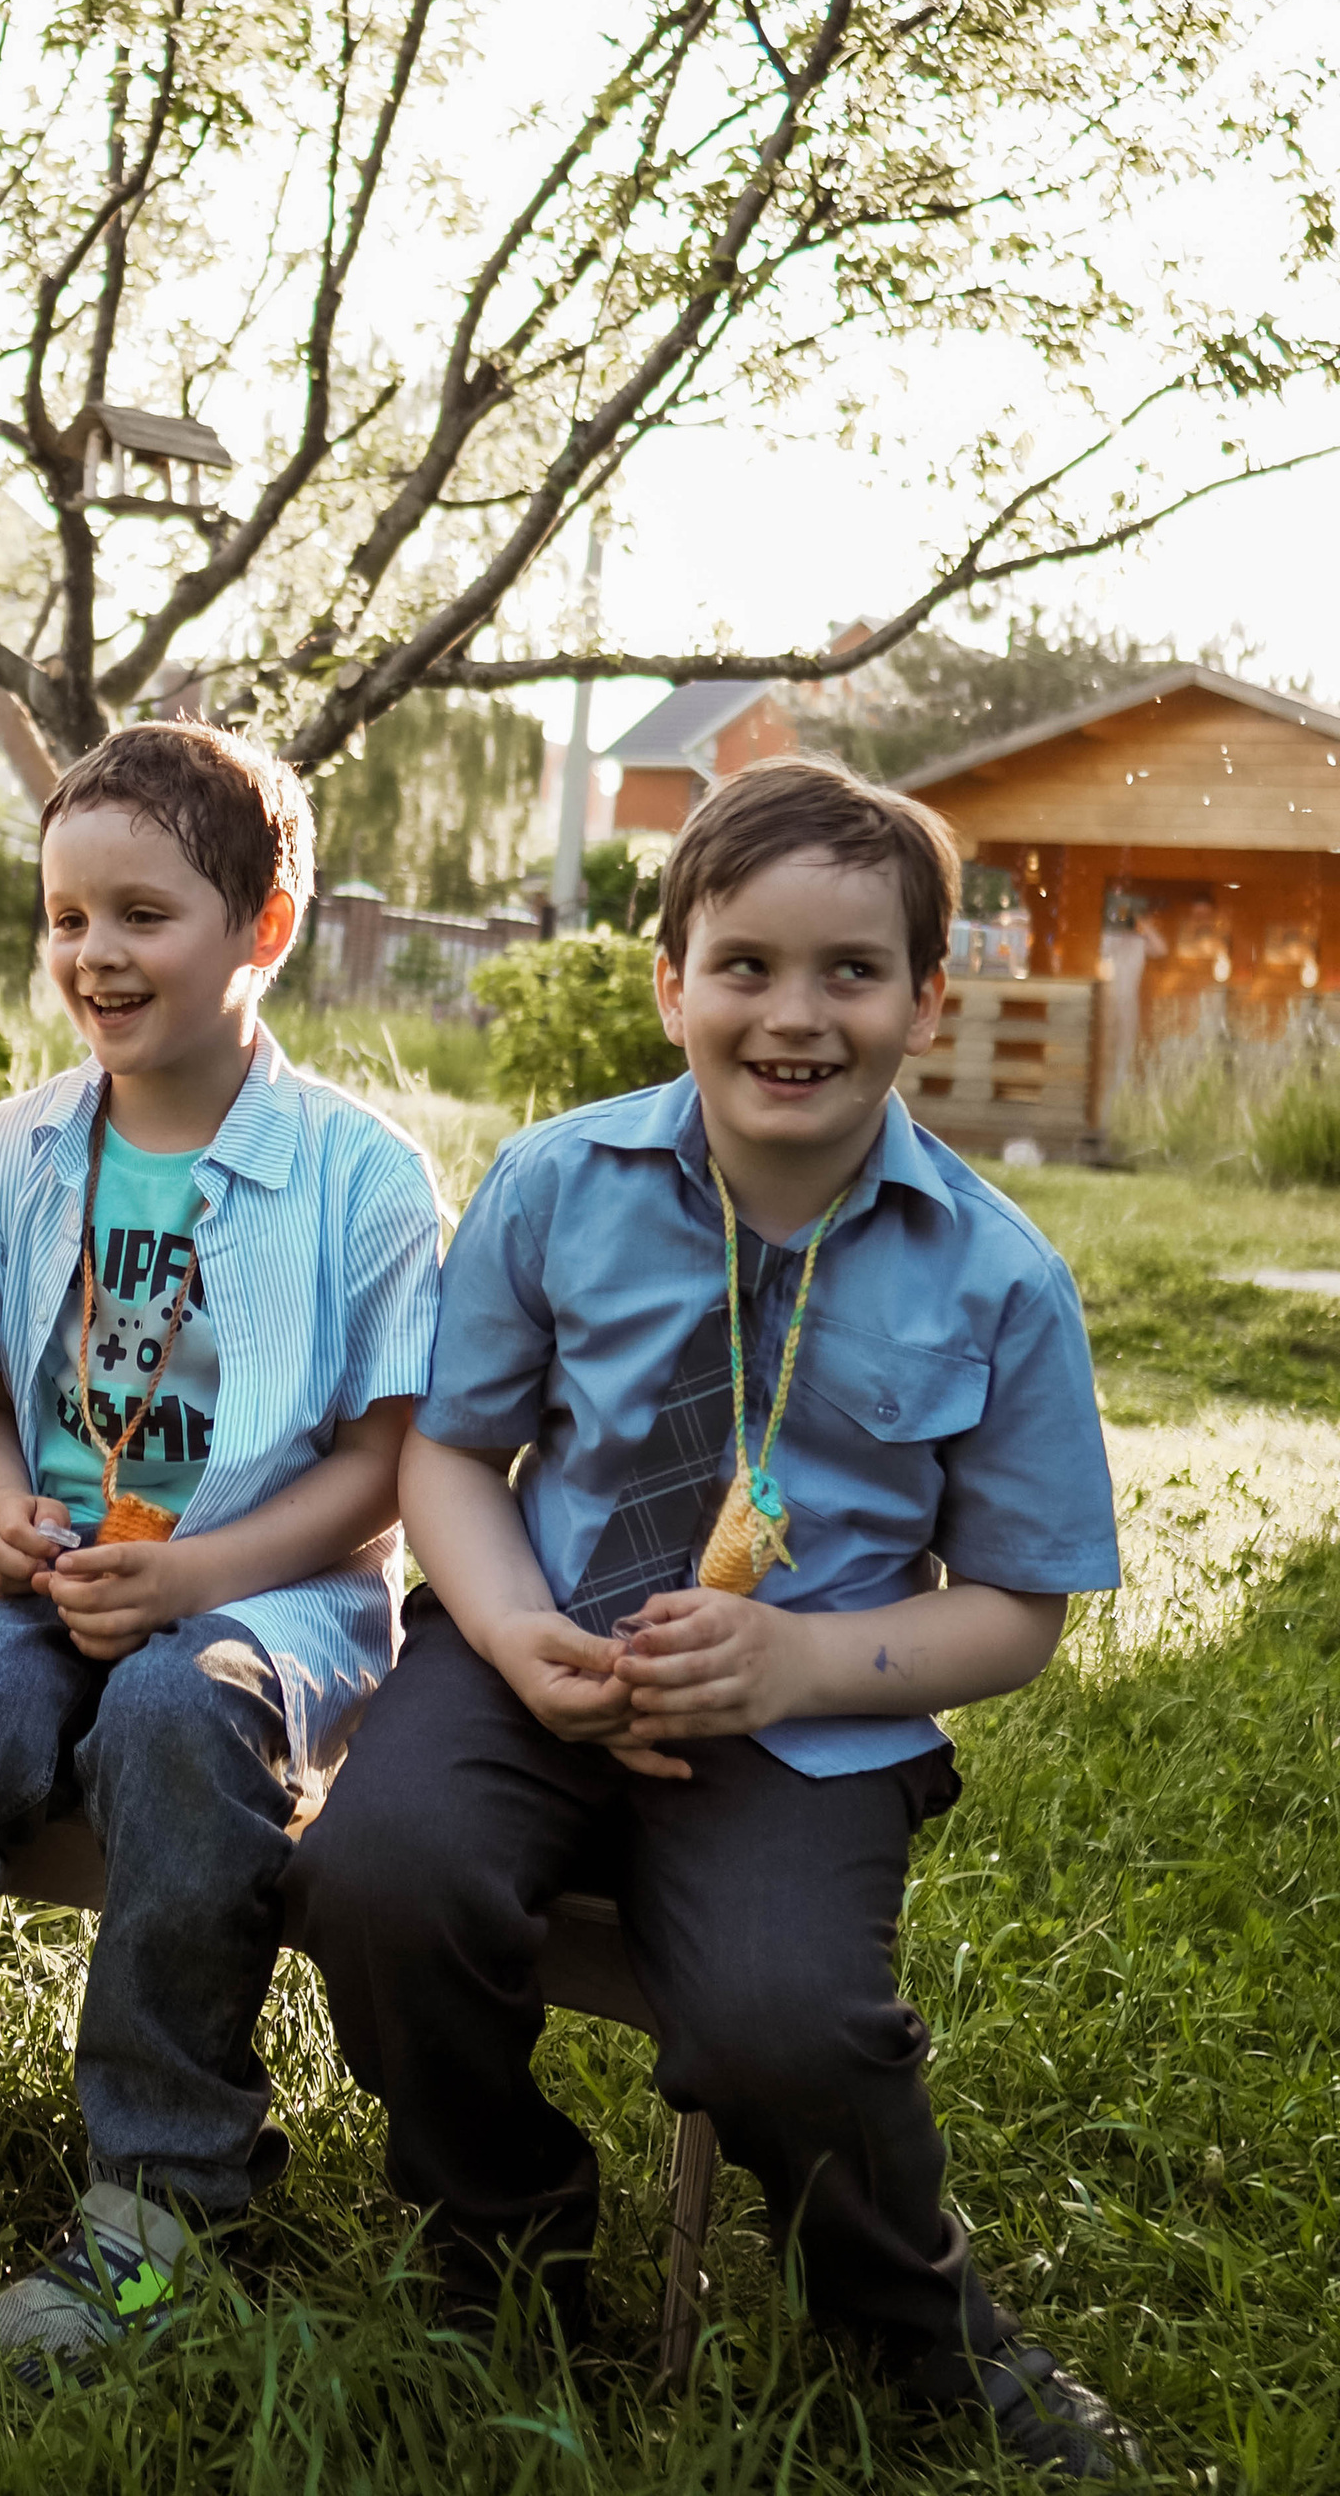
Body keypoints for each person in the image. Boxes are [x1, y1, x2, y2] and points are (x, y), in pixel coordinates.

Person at [287, 756, 1140, 2480]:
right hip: (540, 1651)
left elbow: (1021, 1608)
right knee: (375, 1874)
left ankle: (914, 2325)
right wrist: (515, 1627)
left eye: (852, 972)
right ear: (671, 978)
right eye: (745, 964)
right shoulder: (554, 1181)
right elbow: (454, 1450)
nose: (794, 1013)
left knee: (784, 2019)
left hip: (801, 1718)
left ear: (927, 999)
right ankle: (501, 2234)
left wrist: (802, 1660)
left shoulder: (995, 1273)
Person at [0, 720, 442, 2381]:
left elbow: (392, 1465)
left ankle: (165, 2193)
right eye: (67, 917)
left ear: (264, 928)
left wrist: (199, 1578)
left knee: (174, 1721)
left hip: (267, 1597)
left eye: (144, 914)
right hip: (49, 1581)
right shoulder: (23, 1146)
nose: (95, 955)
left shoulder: (360, 1174)